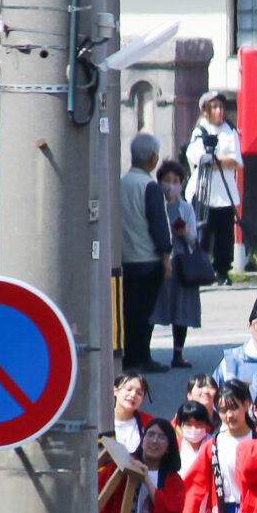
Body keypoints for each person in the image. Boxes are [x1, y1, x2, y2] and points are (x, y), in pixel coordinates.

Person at [117, 132, 168, 372]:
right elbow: (158, 225)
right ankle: (142, 358)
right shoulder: (149, 186)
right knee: (145, 314)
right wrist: (166, 256)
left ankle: (127, 356)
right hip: (147, 259)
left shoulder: (120, 183)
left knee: (127, 311)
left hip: (124, 258)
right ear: (152, 157)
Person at [153, 159, 205, 369]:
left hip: (182, 262)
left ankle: (178, 353)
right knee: (155, 307)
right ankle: (144, 351)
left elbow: (195, 239)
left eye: (175, 181)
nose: (171, 185)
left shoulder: (186, 208)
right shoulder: (155, 205)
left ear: (181, 184)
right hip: (158, 261)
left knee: (181, 308)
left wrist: (185, 233)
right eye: (167, 180)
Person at [186, 90, 244, 275]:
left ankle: (223, 271)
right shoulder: (200, 131)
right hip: (204, 192)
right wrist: (219, 161)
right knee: (202, 233)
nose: (219, 111)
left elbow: (236, 161)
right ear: (205, 111)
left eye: (221, 107)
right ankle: (199, 270)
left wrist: (215, 161)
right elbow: (197, 158)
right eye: (214, 107)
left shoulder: (230, 130)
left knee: (224, 235)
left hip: (225, 193)